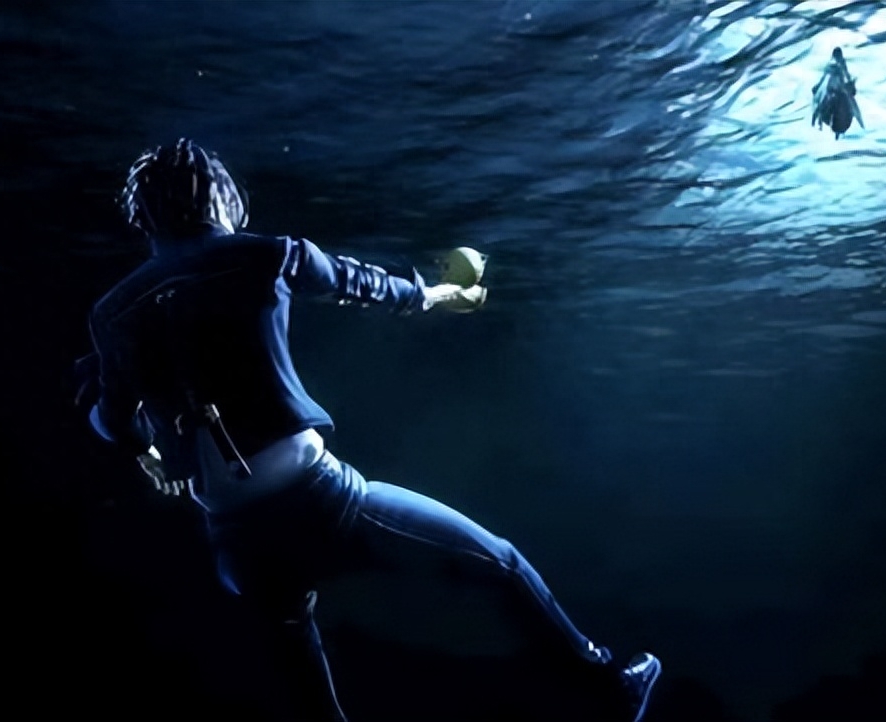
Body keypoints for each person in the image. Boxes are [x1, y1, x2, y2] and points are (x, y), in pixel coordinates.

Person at [79, 138, 662, 721]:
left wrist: (145, 445)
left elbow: (113, 418)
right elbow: (361, 283)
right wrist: (437, 294)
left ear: (143, 213)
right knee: (500, 561)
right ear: (218, 194)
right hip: (318, 502)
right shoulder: (266, 255)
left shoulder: (112, 312)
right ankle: (608, 687)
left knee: (312, 696)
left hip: (236, 542)